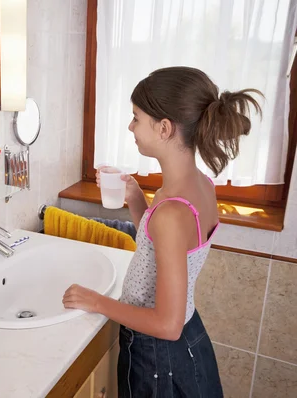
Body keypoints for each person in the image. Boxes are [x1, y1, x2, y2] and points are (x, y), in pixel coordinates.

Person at [63, 66, 262, 397]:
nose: (131, 126)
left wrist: (97, 301)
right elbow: (162, 247)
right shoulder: (198, 187)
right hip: (189, 339)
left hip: (157, 356)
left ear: (165, 128)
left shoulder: (171, 211)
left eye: (136, 117)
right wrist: (137, 199)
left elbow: (166, 326)